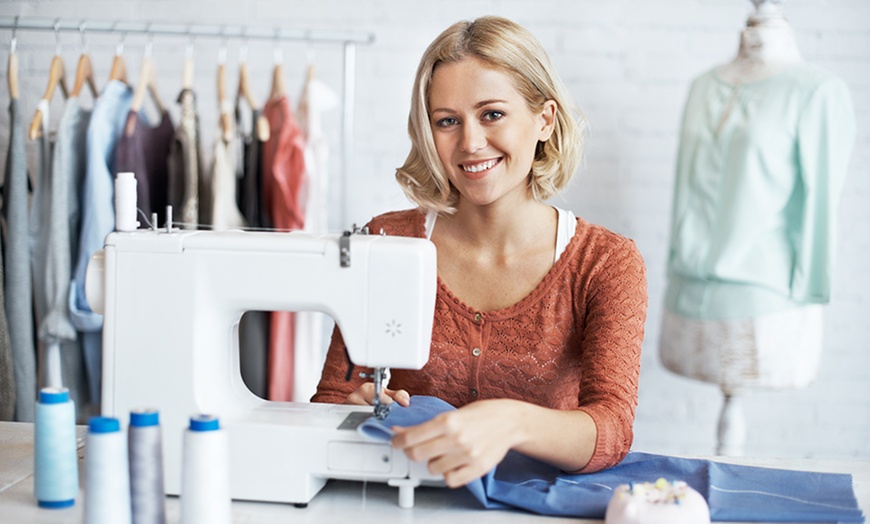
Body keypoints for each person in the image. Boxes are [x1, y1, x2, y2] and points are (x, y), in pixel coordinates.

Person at [312, 15, 647, 488]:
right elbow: (330, 400)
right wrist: (351, 409)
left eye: (492, 114)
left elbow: (612, 428)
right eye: (447, 121)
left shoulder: (605, 264)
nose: (469, 143)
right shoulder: (385, 242)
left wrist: (509, 422)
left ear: (545, 120)